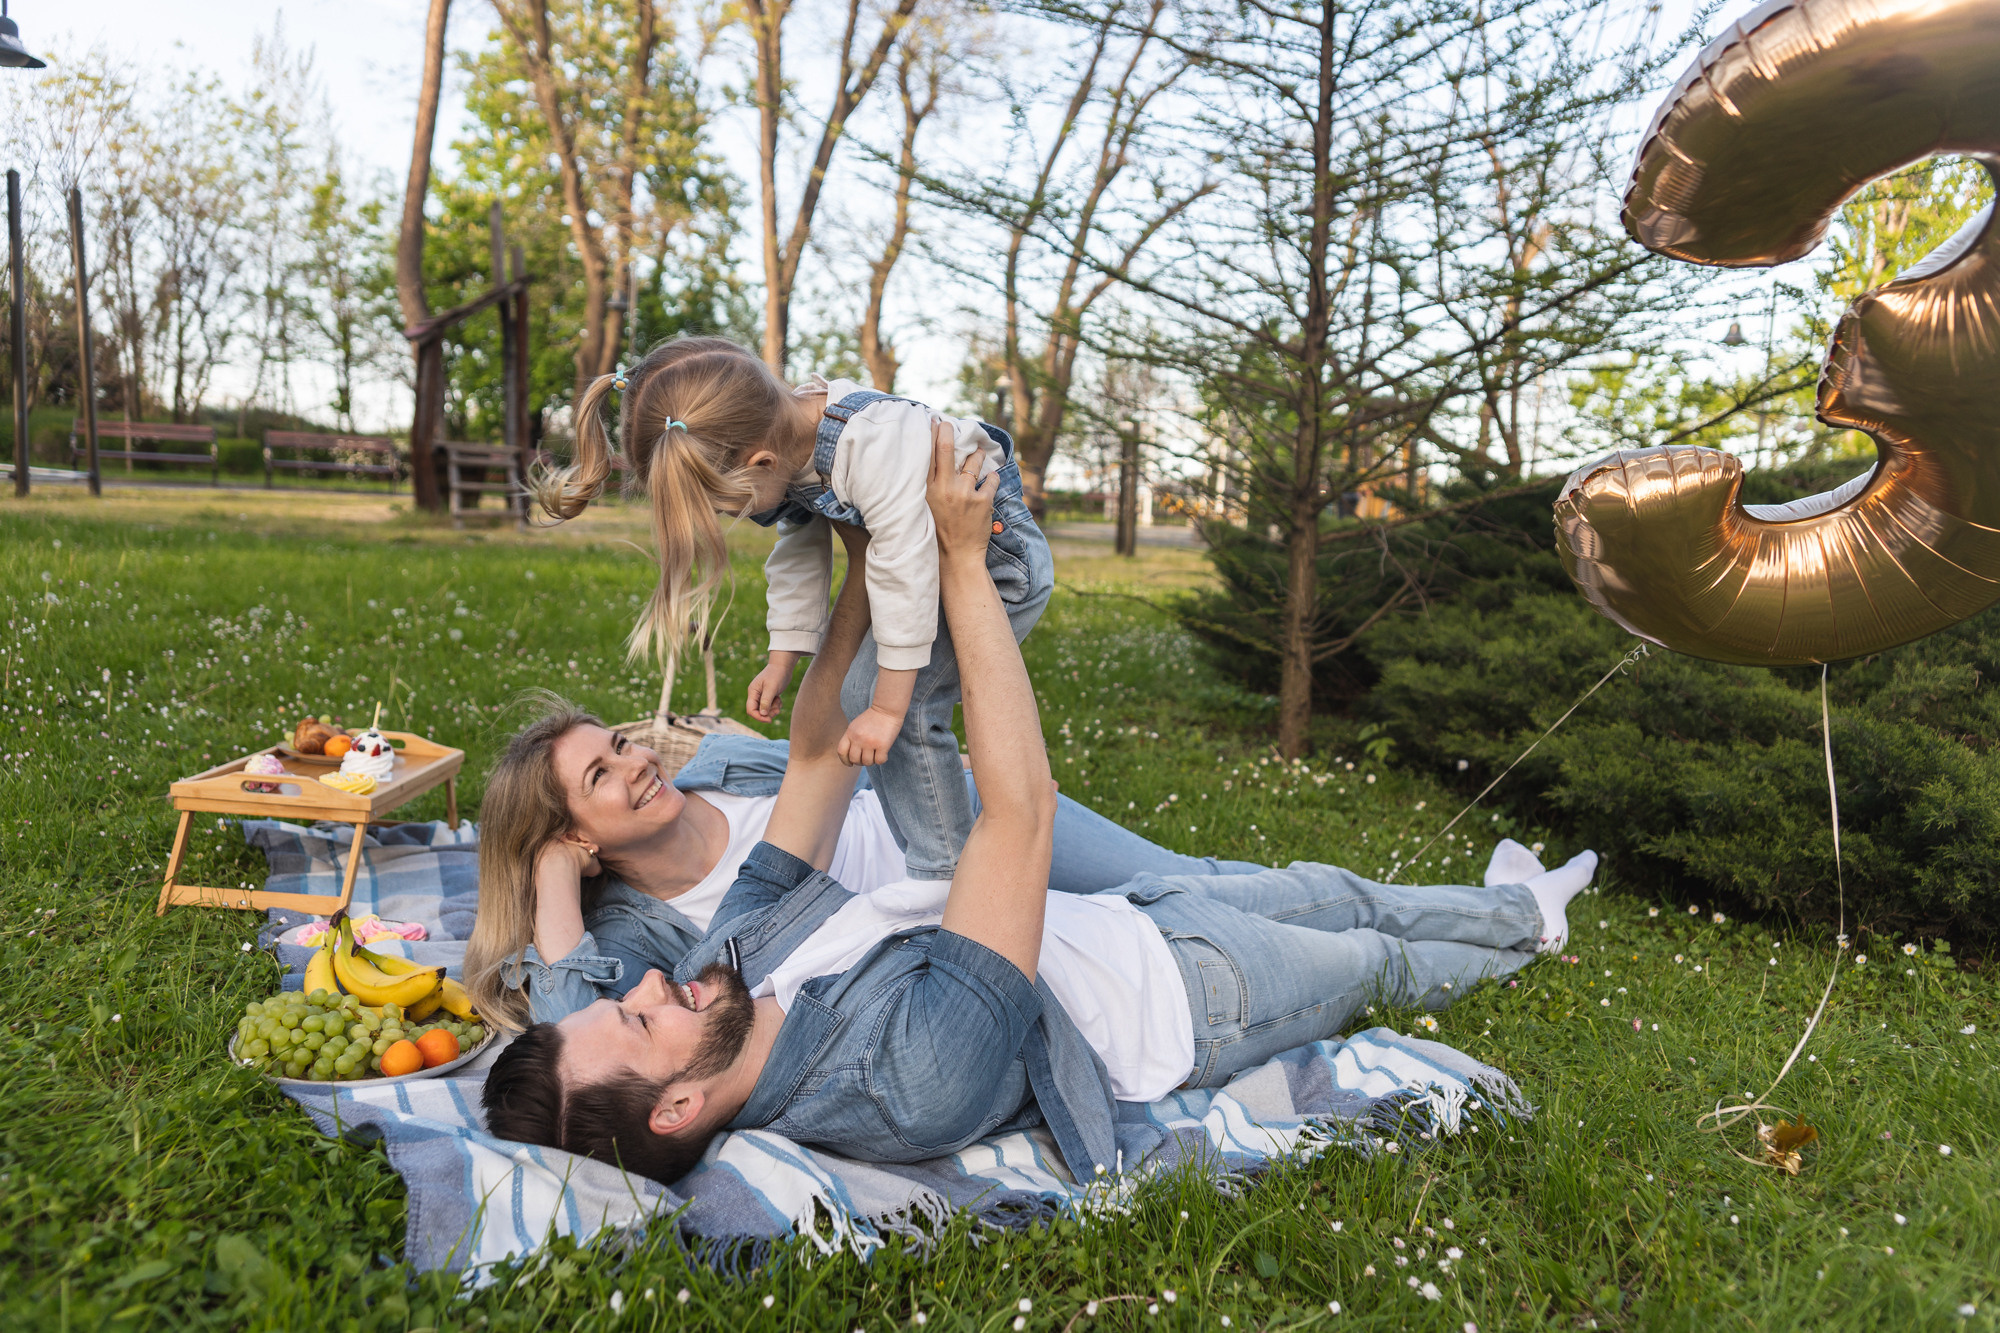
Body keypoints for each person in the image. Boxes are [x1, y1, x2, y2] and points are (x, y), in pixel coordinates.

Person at [482, 439, 1597, 1186]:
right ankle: (1527, 928)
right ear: (674, 1110)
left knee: (1332, 889)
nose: (641, 984)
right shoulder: (896, 1079)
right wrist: (963, 569)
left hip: (1126, 918)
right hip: (1185, 995)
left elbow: (816, 755)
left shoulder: (732, 978)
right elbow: (1017, 814)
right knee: (1365, 958)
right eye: (634, 1022)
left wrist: (867, 552)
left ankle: (1506, 901)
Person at [463, 520, 1264, 1032]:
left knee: (1190, 883)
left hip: (967, 821)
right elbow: (574, 1034)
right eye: (600, 773)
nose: (639, 759)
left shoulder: (720, 762)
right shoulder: (644, 935)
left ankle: (1388, 913)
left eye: (619, 742)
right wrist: (552, 876)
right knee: (1171, 928)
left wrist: (859, 565)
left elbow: (831, 740)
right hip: (954, 929)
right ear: (575, 835)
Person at [529, 335, 1054, 890]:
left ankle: (945, 875)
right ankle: (946, 851)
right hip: (927, 570)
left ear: (761, 462)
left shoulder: (871, 446)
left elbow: (901, 571)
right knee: (864, 699)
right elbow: (800, 550)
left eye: (727, 505)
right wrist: (783, 657)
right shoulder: (791, 440)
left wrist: (887, 708)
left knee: (900, 711)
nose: (734, 516)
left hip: (999, 565)